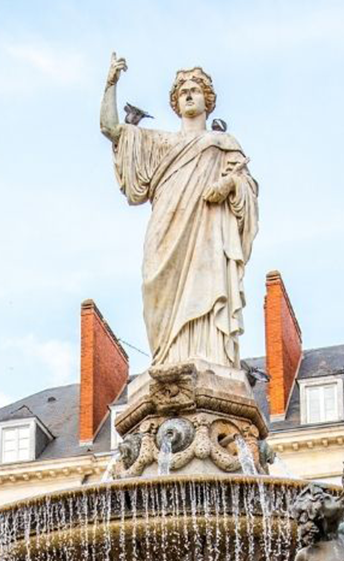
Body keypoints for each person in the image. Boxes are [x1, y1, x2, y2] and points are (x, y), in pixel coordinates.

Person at [101, 55, 258, 369]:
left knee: (206, 286)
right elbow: (110, 128)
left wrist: (228, 184)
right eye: (182, 90)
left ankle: (209, 356)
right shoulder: (160, 143)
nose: (188, 94)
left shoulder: (223, 143)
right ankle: (166, 358)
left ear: (207, 100)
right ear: (175, 101)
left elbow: (247, 188)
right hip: (165, 230)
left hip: (207, 233)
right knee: (154, 291)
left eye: (195, 90)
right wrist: (110, 85)